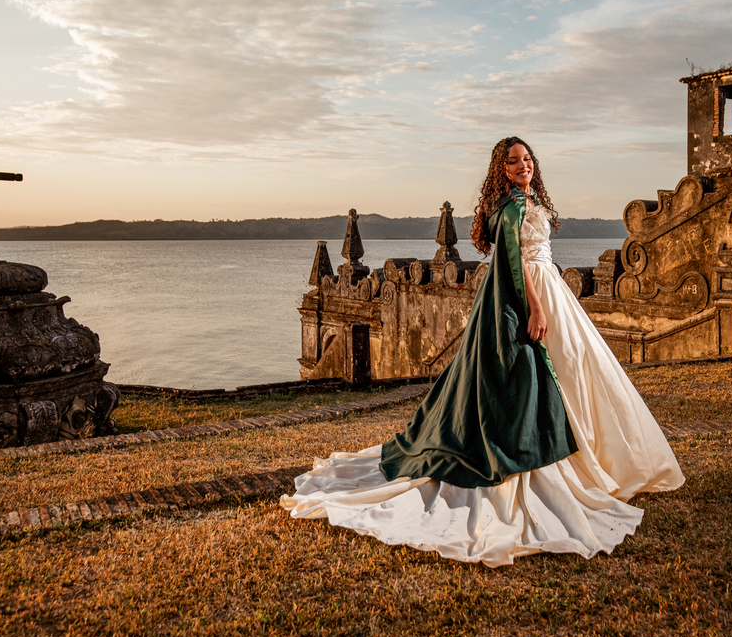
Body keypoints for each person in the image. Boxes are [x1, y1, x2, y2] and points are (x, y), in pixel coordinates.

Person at [281, 137, 684, 567]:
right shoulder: (512, 205)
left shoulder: (521, 200)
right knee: (553, 372)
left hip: (543, 284)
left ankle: (592, 455)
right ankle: (558, 459)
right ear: (501, 168)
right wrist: (534, 306)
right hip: (530, 289)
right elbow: (514, 260)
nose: (523, 165)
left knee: (578, 369)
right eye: (514, 161)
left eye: (527, 159)